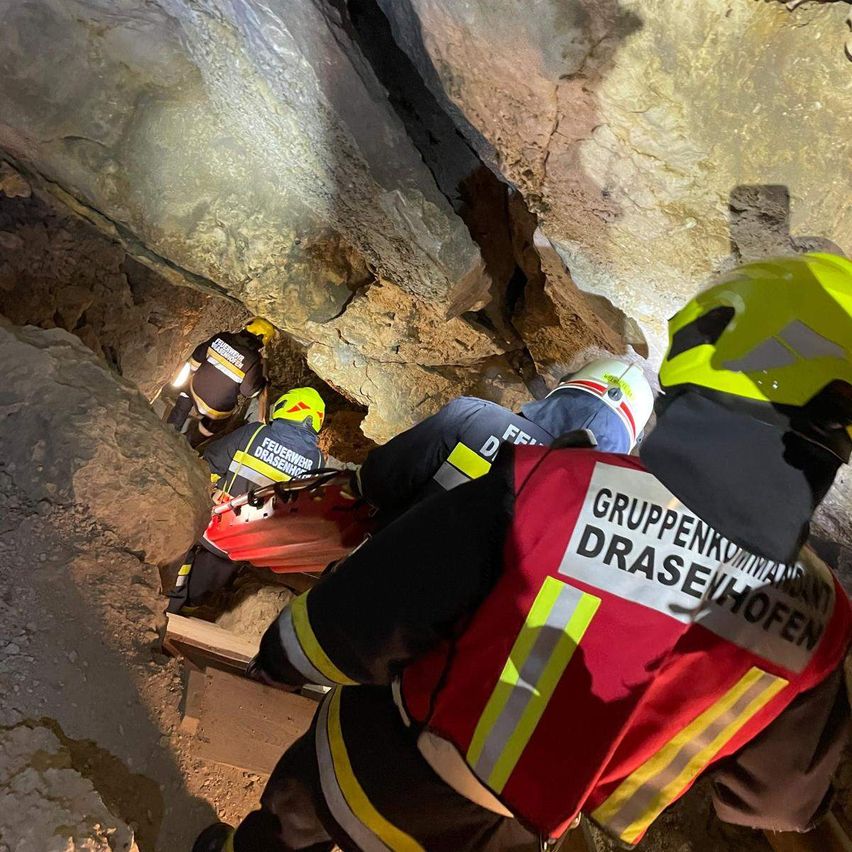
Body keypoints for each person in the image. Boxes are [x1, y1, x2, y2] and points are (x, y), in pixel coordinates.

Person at [193, 253, 852, 852]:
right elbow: (780, 800)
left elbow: (388, 595)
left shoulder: (553, 486)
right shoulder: (819, 621)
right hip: (515, 834)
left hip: (383, 763)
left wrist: (291, 651)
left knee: (294, 821)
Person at [357, 357, 654, 521]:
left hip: (380, 585)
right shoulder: (601, 512)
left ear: (565, 387)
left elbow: (375, 482)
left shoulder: (473, 417)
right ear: (630, 440)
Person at [167, 388, 326, 613]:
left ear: (286, 407)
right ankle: (192, 611)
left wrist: (201, 493)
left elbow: (210, 463)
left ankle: (170, 604)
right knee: (201, 596)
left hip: (210, 521)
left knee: (178, 563)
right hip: (243, 544)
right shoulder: (317, 461)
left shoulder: (255, 434)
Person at [166, 317, 275, 441]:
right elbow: (248, 391)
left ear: (247, 327)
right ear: (263, 340)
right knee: (217, 422)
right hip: (216, 408)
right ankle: (190, 441)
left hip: (194, 390)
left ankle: (169, 428)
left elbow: (196, 358)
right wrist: (263, 381)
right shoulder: (254, 360)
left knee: (185, 395)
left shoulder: (222, 337)